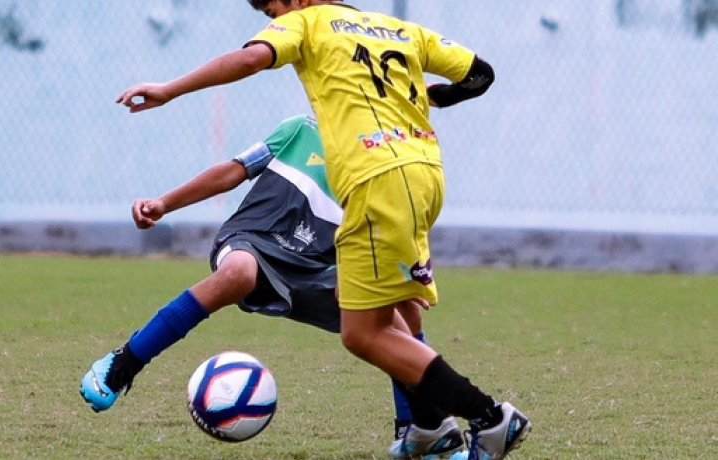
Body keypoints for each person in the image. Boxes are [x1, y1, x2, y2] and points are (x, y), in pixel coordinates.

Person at [114, 2, 532, 459]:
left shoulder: (307, 21)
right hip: (426, 175)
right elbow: (480, 76)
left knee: (362, 334)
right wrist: (433, 97)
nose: (272, 21)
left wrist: (170, 90)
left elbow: (251, 58)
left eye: (272, 9)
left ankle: (491, 418)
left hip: (377, 182)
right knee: (394, 317)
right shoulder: (399, 29)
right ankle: (431, 428)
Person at [79, 114, 433, 444]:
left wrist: (401, 277)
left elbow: (392, 235)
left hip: (317, 271)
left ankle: (417, 430)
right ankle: (125, 362)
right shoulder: (301, 129)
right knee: (239, 273)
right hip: (254, 240)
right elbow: (232, 172)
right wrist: (164, 204)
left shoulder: (387, 170)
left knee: (396, 320)